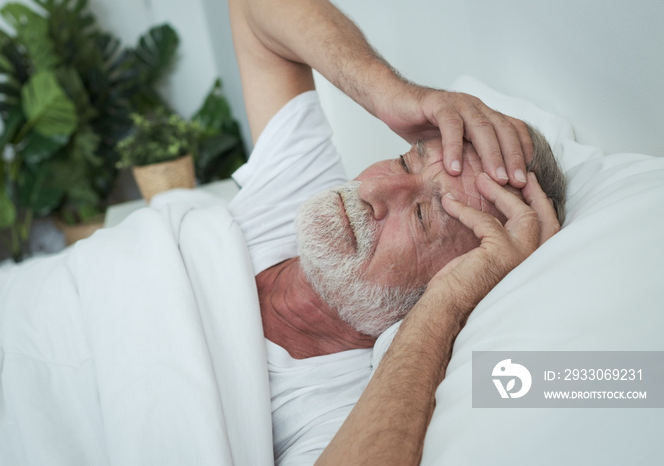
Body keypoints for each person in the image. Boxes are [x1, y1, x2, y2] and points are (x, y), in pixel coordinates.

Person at [227, 0, 565, 464]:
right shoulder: (293, 193)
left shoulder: (348, 414)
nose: (376, 188)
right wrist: (387, 93)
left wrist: (446, 306)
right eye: (407, 159)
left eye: (424, 217)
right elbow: (252, 10)